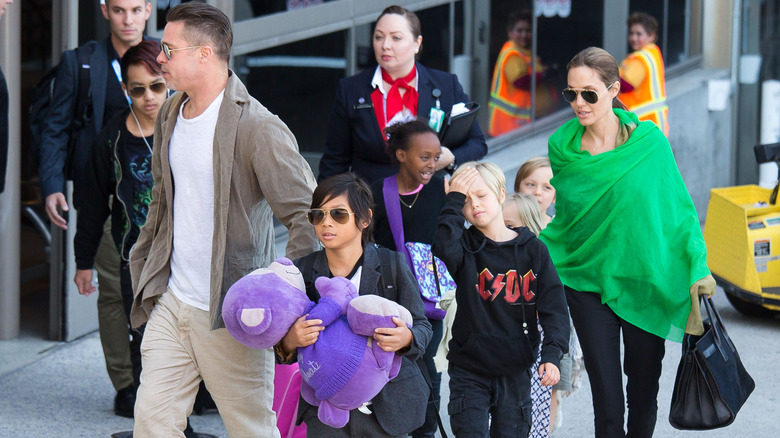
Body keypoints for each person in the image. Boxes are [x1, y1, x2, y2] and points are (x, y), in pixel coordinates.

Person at [128, 3, 319, 436]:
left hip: (231, 310)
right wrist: (146, 269)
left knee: (251, 428)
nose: (160, 59)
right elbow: (161, 201)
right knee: (152, 425)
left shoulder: (258, 127)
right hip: (172, 301)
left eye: (169, 49)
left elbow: (308, 215)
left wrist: (279, 290)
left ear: (204, 54)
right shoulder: (171, 113)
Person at [540, 47, 715, 438]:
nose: (579, 104)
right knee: (607, 400)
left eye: (589, 93)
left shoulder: (649, 143)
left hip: (643, 281)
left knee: (643, 390)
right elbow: (571, 220)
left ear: (614, 89)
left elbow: (679, 211)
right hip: (586, 281)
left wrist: (697, 266)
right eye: (571, 94)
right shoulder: (561, 148)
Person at [36, 0, 153, 418]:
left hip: (159, 204)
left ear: (148, 10)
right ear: (104, 11)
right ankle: (126, 385)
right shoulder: (81, 63)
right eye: (119, 9)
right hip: (104, 200)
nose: (127, 19)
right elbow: (56, 127)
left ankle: (170, 382)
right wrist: (52, 185)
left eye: (136, 9)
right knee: (114, 295)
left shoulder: (165, 59)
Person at [278, 173, 433, 437]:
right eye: (317, 215)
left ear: (364, 219)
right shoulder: (302, 271)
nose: (326, 223)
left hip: (387, 408)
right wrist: (289, 341)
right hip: (324, 411)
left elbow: (422, 325)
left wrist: (406, 338)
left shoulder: (390, 265)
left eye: (338, 214)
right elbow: (278, 339)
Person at [432, 161, 569, 437]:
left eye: (481, 196)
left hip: (515, 371)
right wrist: (453, 199)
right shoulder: (465, 248)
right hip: (469, 369)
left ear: (501, 194)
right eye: (466, 201)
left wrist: (552, 355)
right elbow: (443, 246)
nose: (474, 206)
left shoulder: (534, 251)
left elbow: (554, 308)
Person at [72, 37, 164, 408]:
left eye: (157, 86)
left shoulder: (187, 129)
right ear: (125, 89)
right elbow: (93, 203)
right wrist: (83, 261)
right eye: (138, 90)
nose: (148, 98)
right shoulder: (110, 138)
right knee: (126, 316)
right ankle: (130, 388)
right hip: (127, 245)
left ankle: (191, 390)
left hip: (176, 248)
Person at [318, 5, 487, 183]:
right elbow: (334, 161)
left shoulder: (445, 84)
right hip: (370, 201)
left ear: (417, 43)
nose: (385, 45)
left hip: (429, 198)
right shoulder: (351, 89)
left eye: (396, 38)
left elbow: (478, 143)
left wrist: (450, 159)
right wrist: (324, 206)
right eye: (378, 37)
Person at [369, 120, 446, 438]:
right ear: (401, 155)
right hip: (390, 294)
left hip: (430, 299)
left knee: (428, 366)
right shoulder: (376, 192)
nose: (432, 164)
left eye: (436, 157)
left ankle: (426, 431)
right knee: (386, 366)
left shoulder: (444, 189)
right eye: (424, 156)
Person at [488, 10, 556, 137]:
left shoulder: (525, 52)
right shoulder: (512, 54)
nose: (524, 35)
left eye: (528, 30)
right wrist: (545, 75)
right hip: (513, 124)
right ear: (510, 32)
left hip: (527, 121)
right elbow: (521, 81)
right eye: (519, 30)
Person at [619, 12, 668, 136]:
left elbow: (626, 85)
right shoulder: (653, 53)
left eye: (639, 34)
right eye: (631, 33)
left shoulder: (641, 58)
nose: (634, 38)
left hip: (642, 123)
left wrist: (609, 72)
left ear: (652, 36)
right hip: (653, 123)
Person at [514, 156, 555, 228]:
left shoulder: (560, 230)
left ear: (555, 197)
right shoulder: (505, 225)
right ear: (517, 187)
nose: (537, 192)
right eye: (531, 184)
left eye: (547, 187)